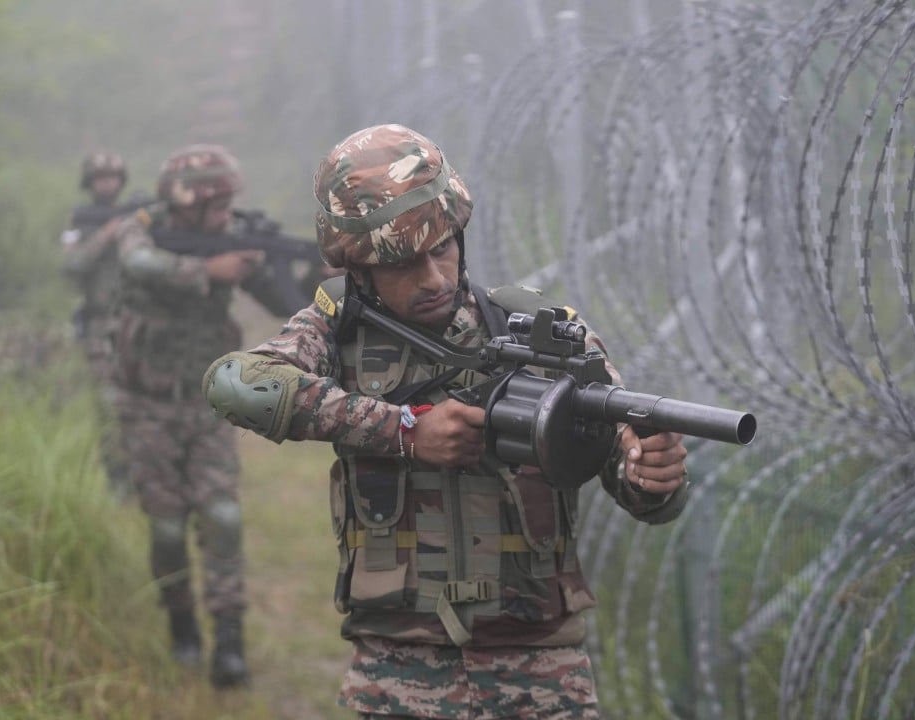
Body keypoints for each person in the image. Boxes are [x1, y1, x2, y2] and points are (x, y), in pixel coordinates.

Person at [202, 124, 690, 718]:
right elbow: (235, 384)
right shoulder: (335, 328)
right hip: (399, 670)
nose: (433, 278)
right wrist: (403, 430)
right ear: (359, 268)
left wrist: (653, 476)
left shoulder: (543, 333)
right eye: (403, 263)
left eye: (442, 249)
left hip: (542, 672)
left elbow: (634, 476)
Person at [105, 143, 274, 688]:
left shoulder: (231, 237)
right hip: (146, 406)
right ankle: (181, 623)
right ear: (187, 202)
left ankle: (228, 640)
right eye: (217, 205)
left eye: (228, 205)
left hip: (208, 404)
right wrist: (207, 269)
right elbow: (136, 262)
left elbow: (281, 299)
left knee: (222, 516)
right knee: (167, 527)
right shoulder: (142, 228)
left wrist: (277, 269)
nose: (226, 216)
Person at [60, 151, 135, 500]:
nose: (107, 184)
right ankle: (117, 481)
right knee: (109, 406)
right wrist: (107, 234)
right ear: (89, 184)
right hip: (100, 327)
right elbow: (72, 265)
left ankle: (147, 477)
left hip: (139, 325)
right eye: (100, 178)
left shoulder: (137, 218)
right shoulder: (78, 223)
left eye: (112, 177)